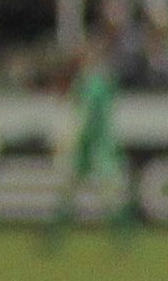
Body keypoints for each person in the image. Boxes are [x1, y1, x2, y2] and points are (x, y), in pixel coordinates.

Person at [45, 34, 137, 247]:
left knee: (104, 191)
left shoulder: (93, 83)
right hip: (95, 144)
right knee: (82, 188)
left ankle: (124, 232)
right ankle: (56, 233)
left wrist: (75, 139)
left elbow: (88, 116)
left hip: (94, 145)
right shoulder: (97, 81)